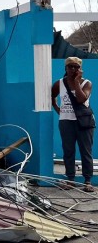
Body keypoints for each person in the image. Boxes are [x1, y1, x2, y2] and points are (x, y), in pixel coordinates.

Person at [51, 57, 95, 192]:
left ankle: (87, 181)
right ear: (65, 68)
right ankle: (70, 180)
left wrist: (76, 82)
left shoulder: (86, 83)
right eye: (70, 67)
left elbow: (82, 99)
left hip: (84, 122)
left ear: (80, 69)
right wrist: (57, 108)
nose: (73, 69)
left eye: (76, 67)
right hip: (66, 122)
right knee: (68, 151)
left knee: (85, 152)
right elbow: (52, 96)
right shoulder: (59, 83)